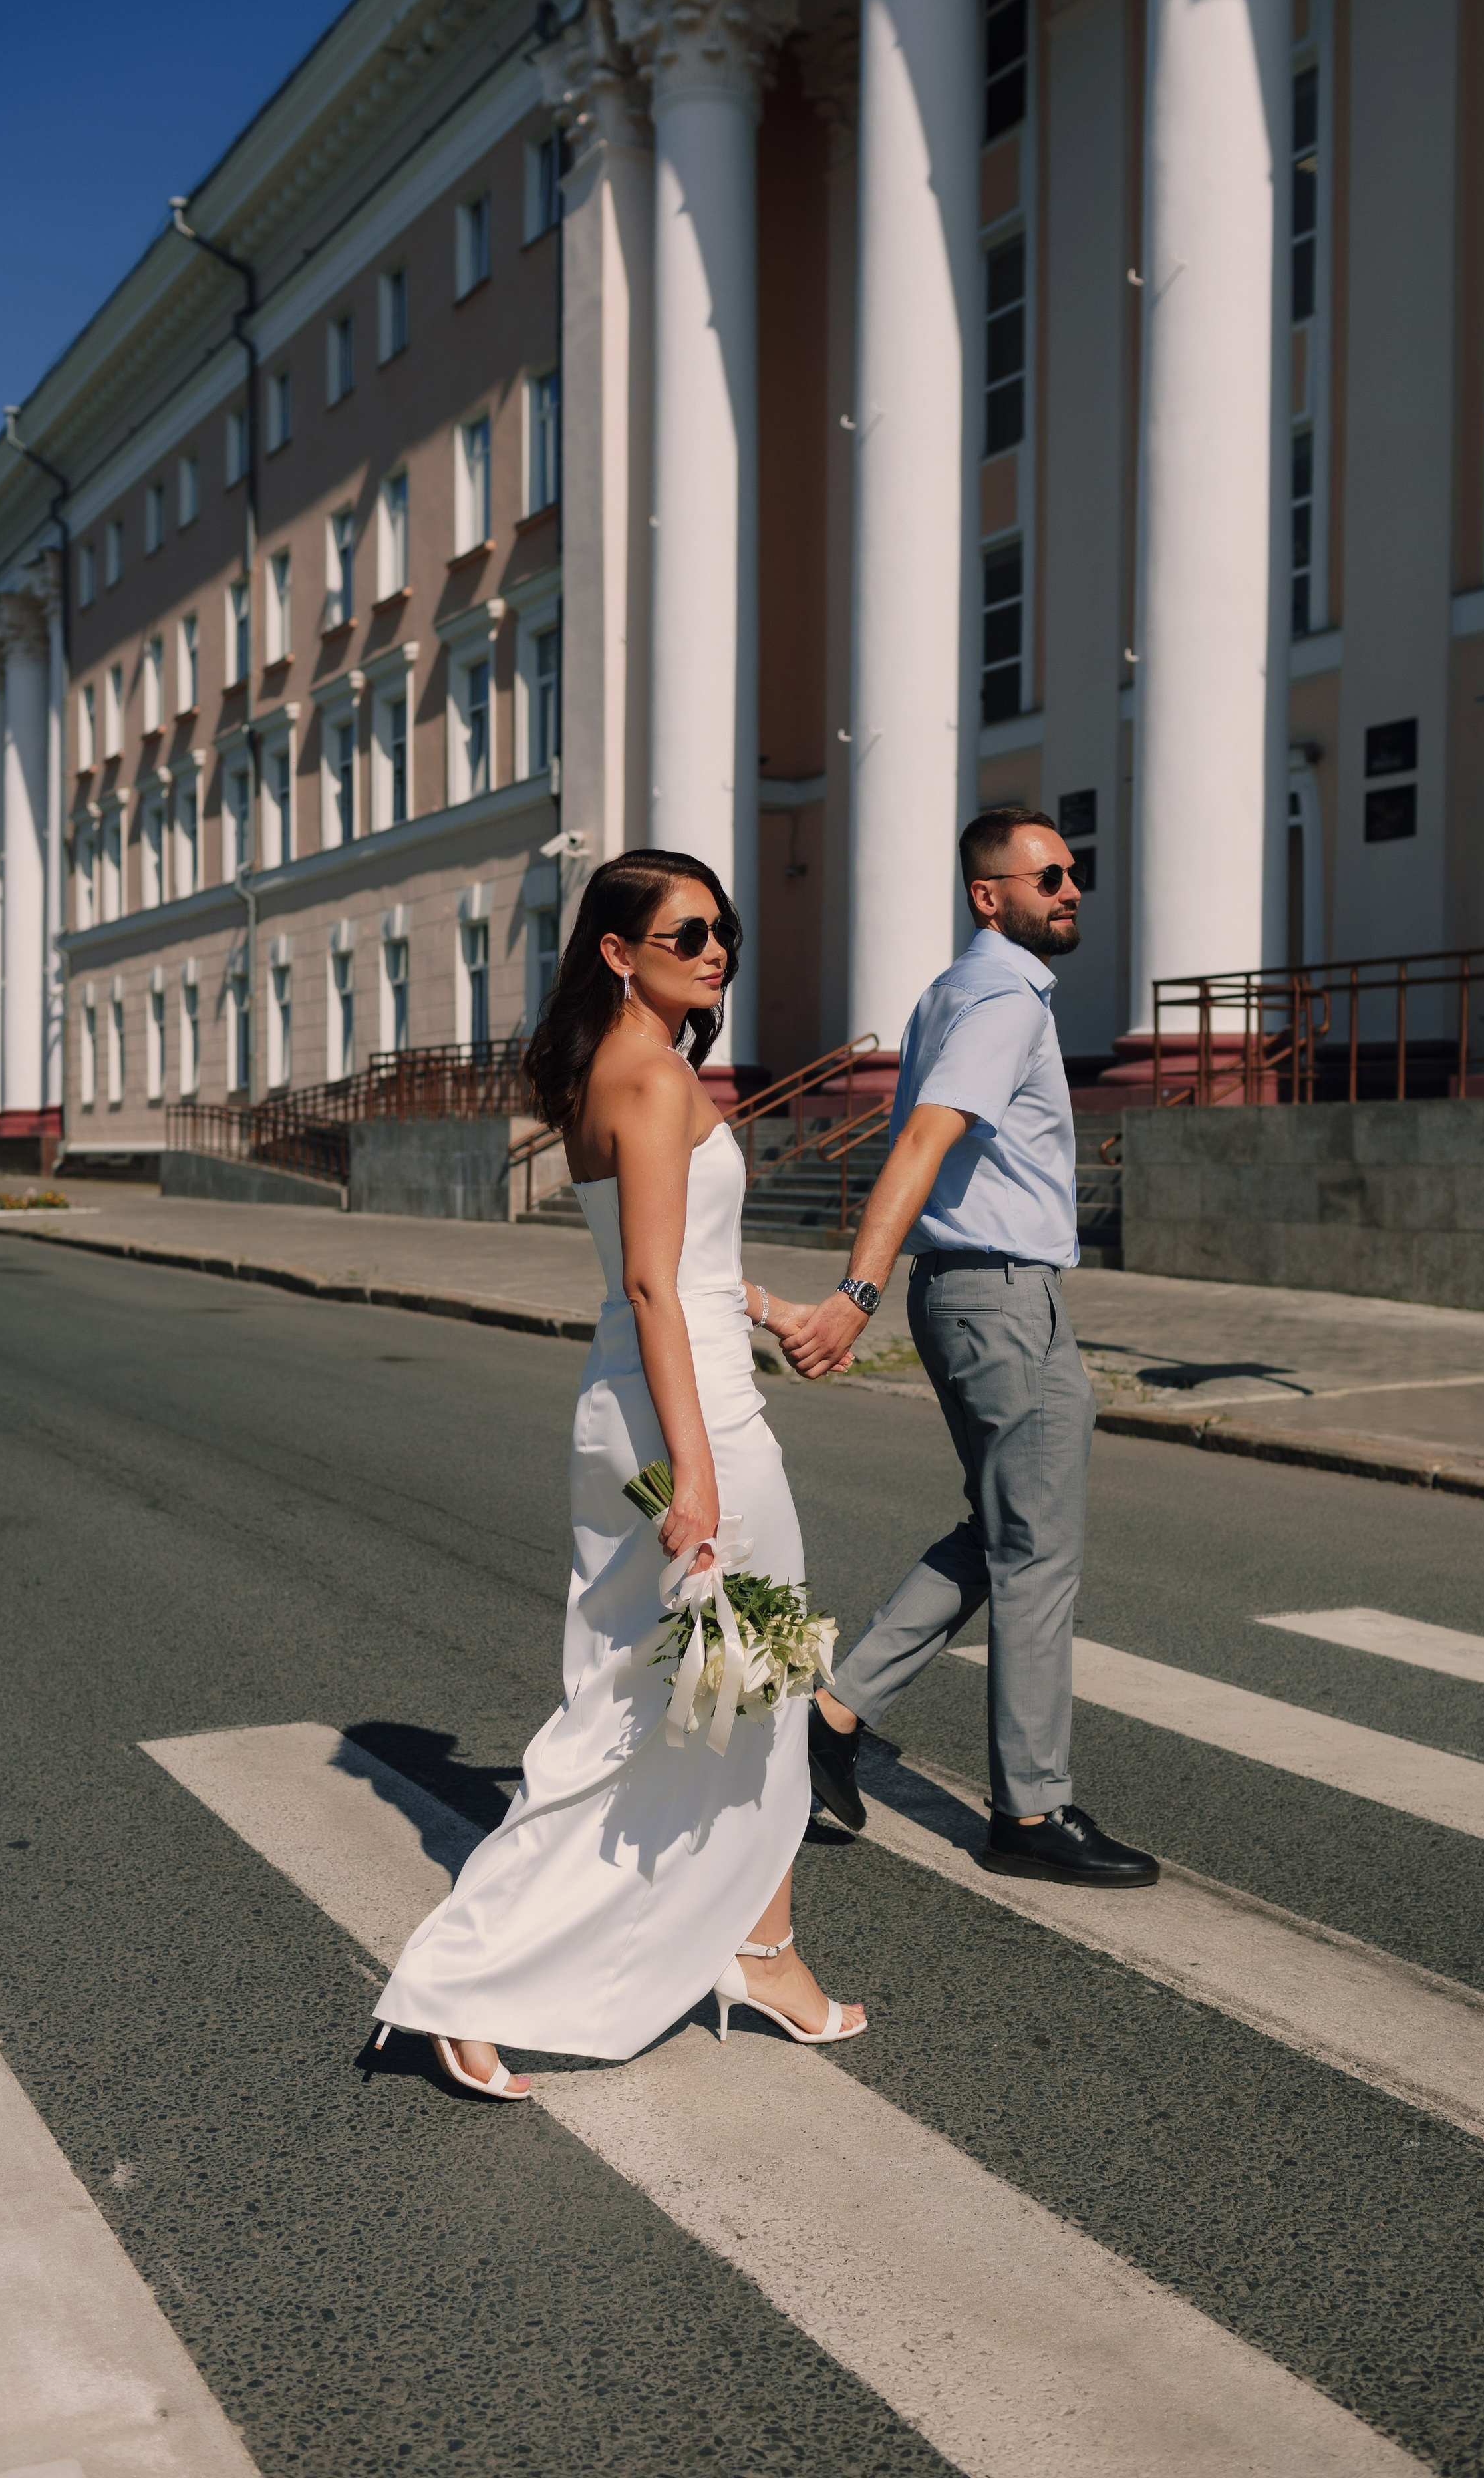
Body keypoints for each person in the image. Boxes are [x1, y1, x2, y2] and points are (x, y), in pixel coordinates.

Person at [372, 849, 864, 2096]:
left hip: (658, 1389)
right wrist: (696, 1478)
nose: (715, 952)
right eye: (688, 933)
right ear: (617, 951)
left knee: (751, 1685)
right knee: (661, 1703)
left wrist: (764, 1303)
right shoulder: (647, 1077)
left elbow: (668, 1265)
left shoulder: (628, 1069)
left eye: (724, 933)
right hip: (681, 1417)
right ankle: (468, 1980)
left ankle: (764, 1952)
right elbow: (651, 1284)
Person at [786, 807, 1159, 1890]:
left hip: (966, 1294)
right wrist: (855, 1286)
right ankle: (1031, 1813)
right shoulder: (1000, 1000)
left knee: (1004, 1529)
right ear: (989, 895)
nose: (1071, 887)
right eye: (1047, 876)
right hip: (1000, 1292)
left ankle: (831, 1715)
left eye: (1074, 871)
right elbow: (924, 1138)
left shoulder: (953, 990)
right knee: (1037, 1557)